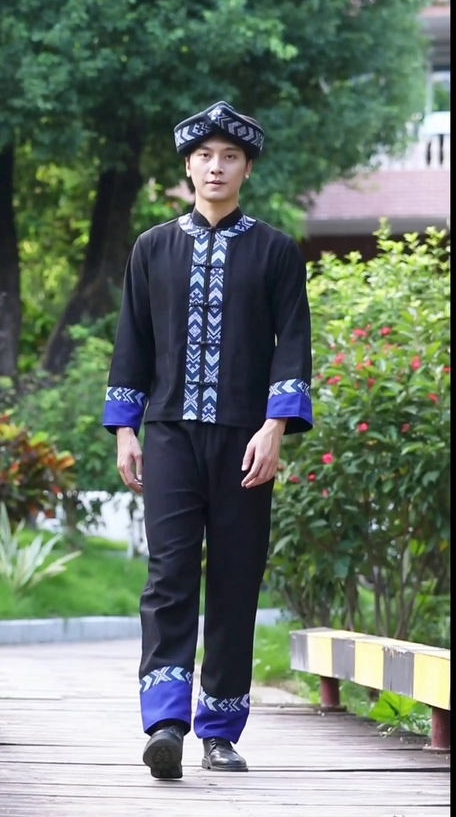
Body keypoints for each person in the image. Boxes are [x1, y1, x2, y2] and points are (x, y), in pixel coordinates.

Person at [102, 101, 313, 779]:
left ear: (247, 168)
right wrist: (125, 430)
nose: (216, 167)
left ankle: (220, 729)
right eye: (204, 156)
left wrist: (275, 427)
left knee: (234, 579)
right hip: (168, 436)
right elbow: (132, 342)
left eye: (229, 157)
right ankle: (165, 721)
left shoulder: (276, 251)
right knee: (168, 577)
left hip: (246, 441)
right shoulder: (152, 248)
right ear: (188, 167)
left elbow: (293, 344)